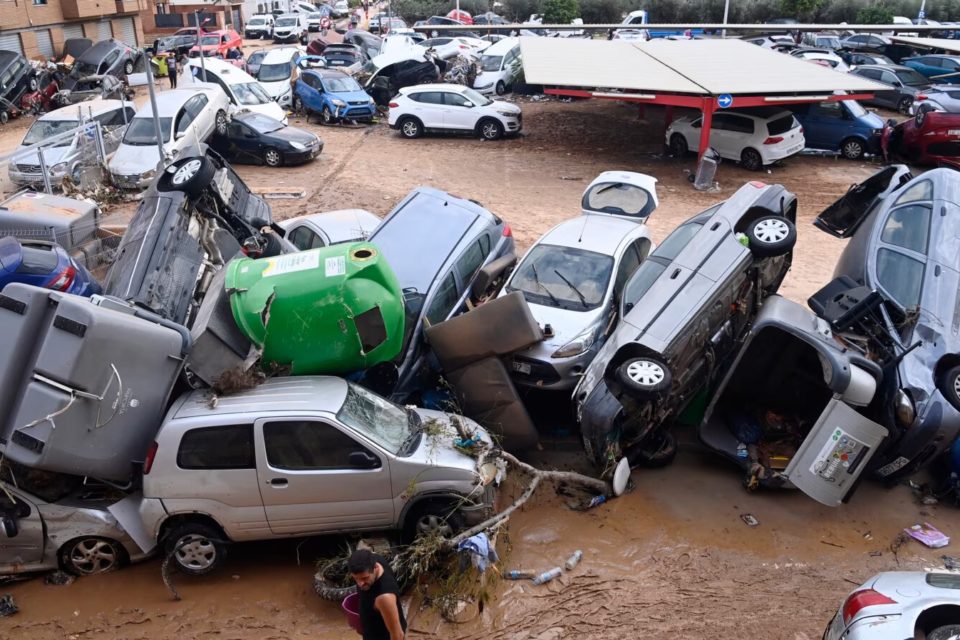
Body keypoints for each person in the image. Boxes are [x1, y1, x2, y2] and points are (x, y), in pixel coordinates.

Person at [348, 549, 406, 640]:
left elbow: (398, 635)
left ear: (376, 567)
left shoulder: (384, 598)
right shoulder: (375, 559)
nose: (360, 584)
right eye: (356, 578)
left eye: (365, 578)